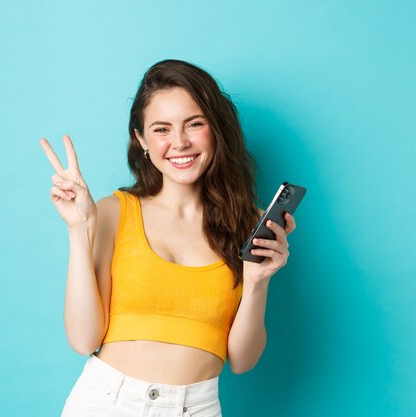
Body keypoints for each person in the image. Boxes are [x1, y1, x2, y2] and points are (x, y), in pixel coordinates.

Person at [39, 59, 296, 417]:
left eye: (195, 123)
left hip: (198, 407)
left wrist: (256, 282)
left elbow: (242, 360)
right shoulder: (114, 212)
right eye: (161, 129)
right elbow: (84, 339)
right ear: (141, 140)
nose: (180, 142)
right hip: (106, 402)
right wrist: (79, 230)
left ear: (216, 128)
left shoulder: (248, 224)